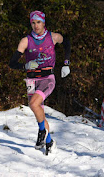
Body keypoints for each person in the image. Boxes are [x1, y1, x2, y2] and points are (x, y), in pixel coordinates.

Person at [9, 10, 71, 155]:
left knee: (33, 104)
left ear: (44, 23)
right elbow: (12, 63)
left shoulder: (53, 37)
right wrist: (25, 66)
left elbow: (66, 42)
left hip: (47, 79)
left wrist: (66, 63)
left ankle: (42, 131)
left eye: (38, 22)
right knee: (39, 111)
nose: (36, 26)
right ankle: (49, 141)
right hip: (31, 80)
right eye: (33, 23)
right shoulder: (26, 41)